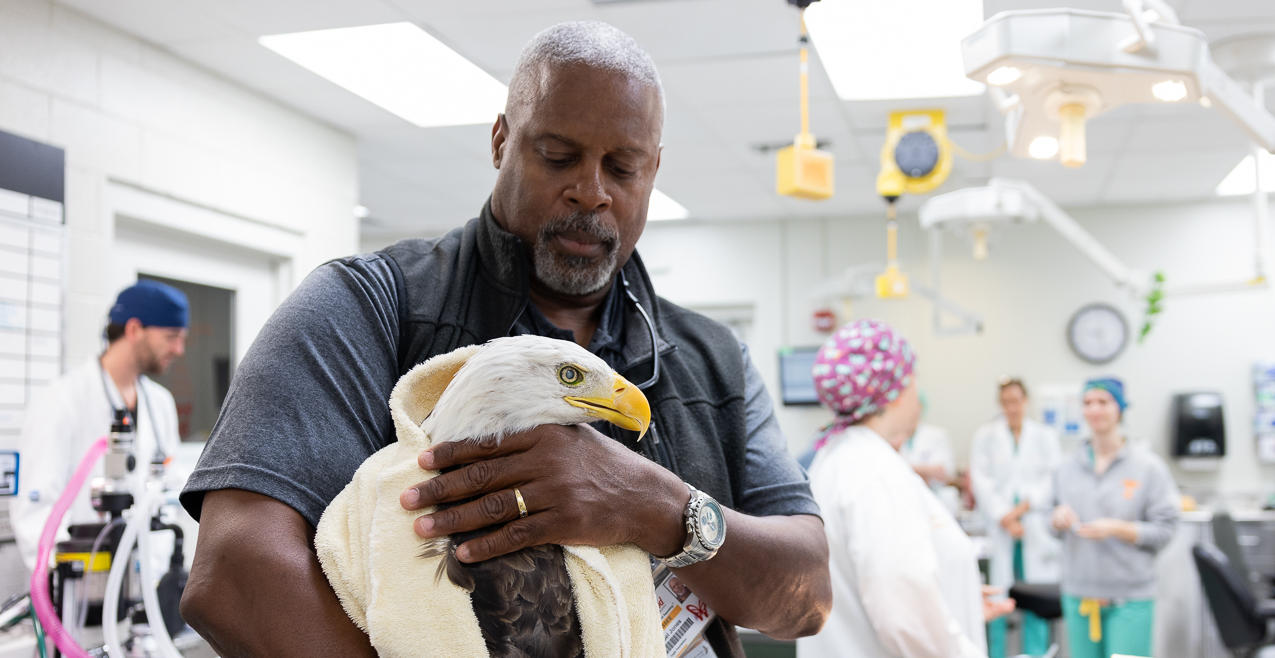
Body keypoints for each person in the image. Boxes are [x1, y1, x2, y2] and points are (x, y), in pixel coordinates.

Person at [177, 21, 831, 657]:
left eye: (623, 167)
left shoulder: (713, 359)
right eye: (558, 156)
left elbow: (805, 599)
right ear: (500, 141)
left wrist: (657, 506)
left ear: (654, 170)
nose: (590, 191)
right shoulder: (366, 309)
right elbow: (233, 576)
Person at [800, 319, 1014, 658]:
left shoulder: (839, 457)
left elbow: (878, 582)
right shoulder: (875, 472)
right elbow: (907, 619)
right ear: (894, 390)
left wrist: (953, 601)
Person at [11, 280, 187, 569]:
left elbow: (168, 489)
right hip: (83, 592)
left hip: (149, 584)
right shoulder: (61, 400)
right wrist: (81, 584)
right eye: (171, 336)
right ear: (134, 330)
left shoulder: (161, 403)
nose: (179, 349)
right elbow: (37, 510)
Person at [1049, 378, 1178, 658]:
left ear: (1119, 408)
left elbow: (1165, 529)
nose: (1094, 409)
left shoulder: (1148, 467)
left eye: (1103, 402)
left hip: (1130, 597)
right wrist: (1057, 519)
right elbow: (1053, 525)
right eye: (1087, 403)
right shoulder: (1066, 467)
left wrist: (1118, 528)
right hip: (1079, 592)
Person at [971, 377, 1063, 658]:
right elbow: (981, 480)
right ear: (1001, 404)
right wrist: (1004, 517)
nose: (1012, 407)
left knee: (1036, 599)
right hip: (1001, 528)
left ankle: (1037, 654)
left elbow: (1052, 478)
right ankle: (997, 654)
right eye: (1006, 401)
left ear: (1026, 401)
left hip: (1033, 525)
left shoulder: (1045, 435)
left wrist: (1019, 511)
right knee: (998, 598)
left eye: (1017, 400)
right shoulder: (986, 436)